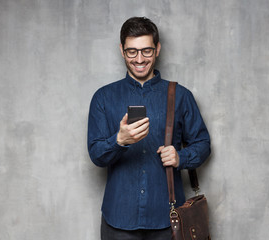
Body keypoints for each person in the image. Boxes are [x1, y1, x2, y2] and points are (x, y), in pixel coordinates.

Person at [87, 16, 211, 240]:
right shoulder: (103, 97)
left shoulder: (181, 96)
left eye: (147, 50)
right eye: (132, 51)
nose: (139, 59)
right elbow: (96, 154)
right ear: (122, 50)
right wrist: (119, 141)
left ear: (158, 49)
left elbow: (203, 144)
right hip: (118, 219)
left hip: (167, 219)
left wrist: (180, 157)